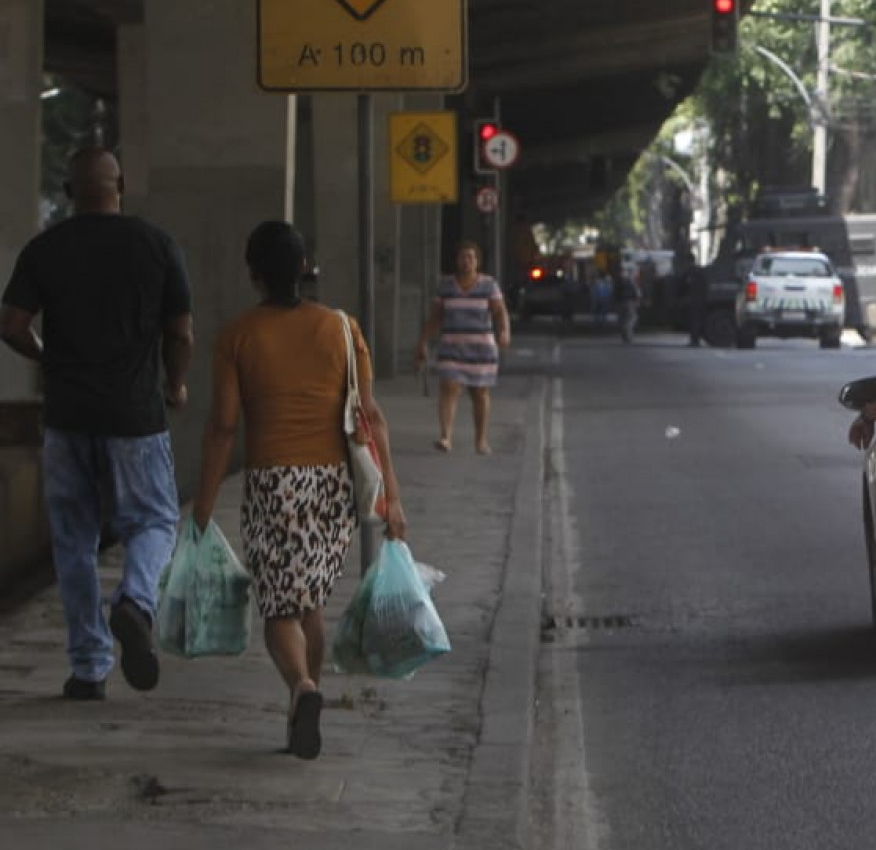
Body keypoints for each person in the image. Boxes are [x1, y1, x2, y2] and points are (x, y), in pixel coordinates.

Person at [191, 222, 405, 760]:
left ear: (254, 274)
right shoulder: (342, 328)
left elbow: (223, 426)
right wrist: (393, 498)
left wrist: (203, 502)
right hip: (331, 484)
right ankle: (300, 715)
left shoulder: (238, 335)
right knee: (309, 602)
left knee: (279, 609)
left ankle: (302, 687)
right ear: (305, 266)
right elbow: (371, 416)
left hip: (273, 483)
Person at [1, 147, 193, 702]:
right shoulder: (157, 245)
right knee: (155, 520)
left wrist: (46, 356)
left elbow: (11, 324)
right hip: (135, 416)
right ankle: (134, 600)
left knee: (73, 541)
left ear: (68, 193)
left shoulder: (46, 248)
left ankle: (88, 668)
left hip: (68, 416)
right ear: (121, 185)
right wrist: (176, 384)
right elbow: (181, 332)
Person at [415, 241, 511, 455]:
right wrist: (422, 342)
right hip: (452, 348)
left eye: (470, 257)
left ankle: (481, 440)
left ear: (477, 261)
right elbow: (435, 317)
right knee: (449, 387)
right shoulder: (446, 286)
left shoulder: (488, 285)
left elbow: (499, 311)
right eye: (462, 257)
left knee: (479, 393)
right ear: (457, 261)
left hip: (481, 350)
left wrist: (504, 331)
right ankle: (446, 436)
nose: (466, 261)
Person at [611, 266, 639, 344]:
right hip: (628, 303)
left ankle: (624, 335)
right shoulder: (629, 282)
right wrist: (635, 301)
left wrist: (615, 303)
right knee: (631, 319)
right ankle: (627, 334)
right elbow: (634, 292)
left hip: (620, 303)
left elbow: (614, 294)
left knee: (621, 320)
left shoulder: (616, 283)